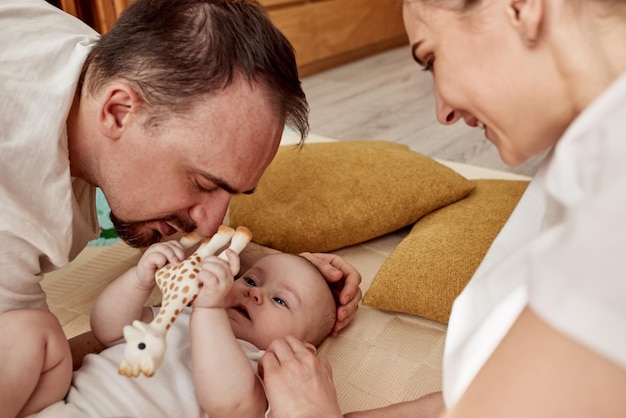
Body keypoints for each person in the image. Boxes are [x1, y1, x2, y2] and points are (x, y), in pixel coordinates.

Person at [258, 0, 626, 417]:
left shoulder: (612, 217)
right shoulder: (592, 152)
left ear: (522, 8)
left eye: (430, 58)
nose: (443, 111)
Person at [1, 0, 362, 413]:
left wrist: (287, 269)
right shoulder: (11, 224)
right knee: (30, 336)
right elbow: (105, 332)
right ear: (117, 112)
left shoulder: (97, 65)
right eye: (203, 183)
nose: (209, 226)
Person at [5, 239, 337, 418]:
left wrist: (208, 308)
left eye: (280, 301)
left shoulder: (264, 371)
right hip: (56, 405)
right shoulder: (177, 314)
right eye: (250, 279)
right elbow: (108, 330)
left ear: (301, 351)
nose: (254, 293)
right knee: (36, 327)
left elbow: (229, 405)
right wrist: (139, 279)